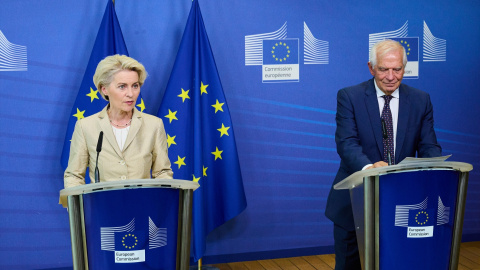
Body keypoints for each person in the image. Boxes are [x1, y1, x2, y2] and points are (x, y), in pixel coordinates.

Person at [324, 39, 442, 270]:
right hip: (354, 203)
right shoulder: (350, 97)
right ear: (371, 68)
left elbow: (429, 145)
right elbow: (347, 144)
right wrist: (370, 169)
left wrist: (434, 167)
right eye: (383, 69)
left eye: (397, 69)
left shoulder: (420, 100)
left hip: (404, 202)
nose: (391, 76)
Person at [64, 55, 173, 188]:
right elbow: (74, 176)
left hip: (142, 206)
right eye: (122, 87)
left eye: (135, 86)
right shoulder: (86, 127)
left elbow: (163, 173)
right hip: (101, 207)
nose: (131, 94)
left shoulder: (154, 125)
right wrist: (80, 208)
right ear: (104, 89)